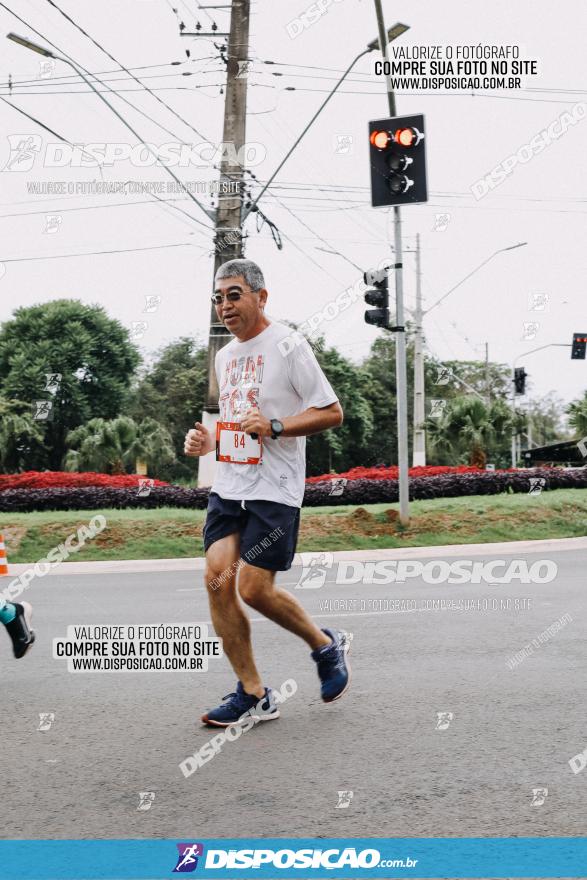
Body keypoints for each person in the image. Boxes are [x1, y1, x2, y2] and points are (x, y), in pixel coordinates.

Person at [184, 258, 351, 726]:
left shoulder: (289, 344)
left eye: (234, 294)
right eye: (218, 298)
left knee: (254, 589)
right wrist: (208, 442)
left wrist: (277, 425)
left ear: (261, 296)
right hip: (230, 484)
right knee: (217, 579)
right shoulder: (224, 356)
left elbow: (332, 411)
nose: (225, 306)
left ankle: (324, 645)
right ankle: (253, 693)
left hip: (274, 488)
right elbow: (238, 424)